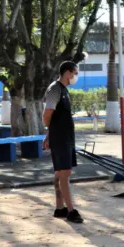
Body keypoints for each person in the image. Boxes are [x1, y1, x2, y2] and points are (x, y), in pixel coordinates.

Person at [42, 61, 84, 223]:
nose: (76, 76)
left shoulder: (64, 90)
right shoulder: (55, 89)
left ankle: (60, 208)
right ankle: (71, 211)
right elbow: (47, 115)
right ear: (67, 72)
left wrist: (49, 134)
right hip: (60, 137)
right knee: (65, 173)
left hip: (64, 137)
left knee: (60, 172)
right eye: (75, 72)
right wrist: (52, 133)